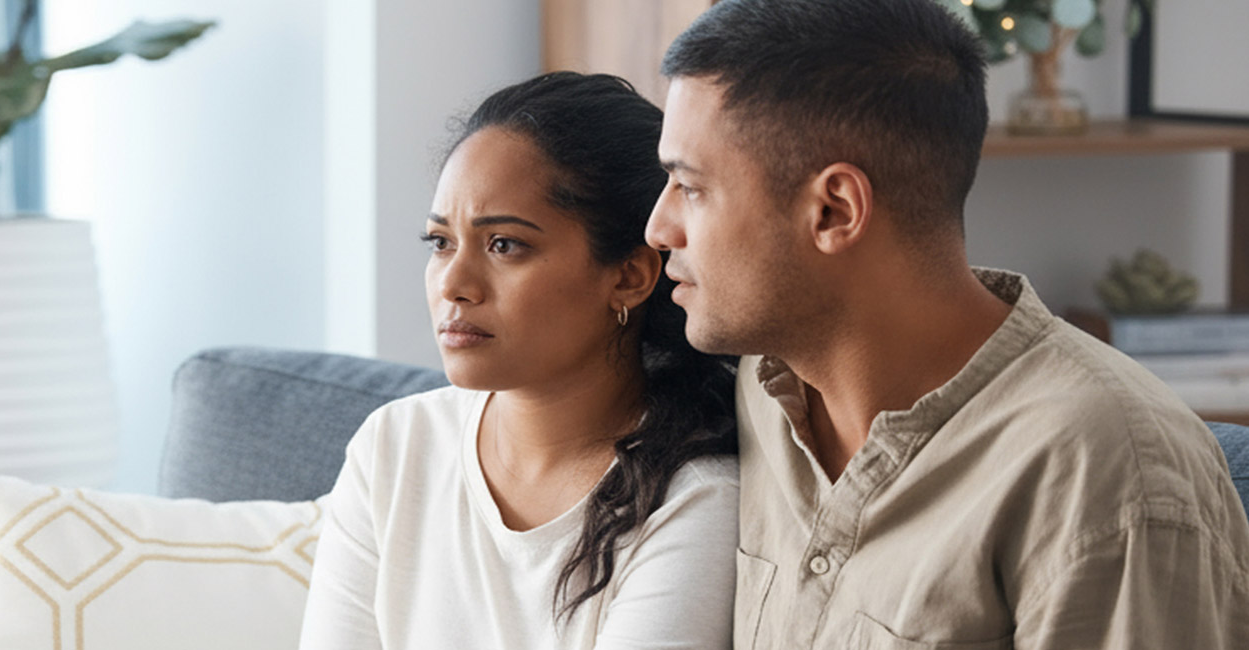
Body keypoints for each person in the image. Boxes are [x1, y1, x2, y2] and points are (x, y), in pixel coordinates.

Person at [645, 0, 1249, 647]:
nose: (658, 228)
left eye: (692, 188)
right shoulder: (763, 391)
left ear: (833, 210)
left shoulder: (1105, 474)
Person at [299, 72, 739, 650]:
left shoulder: (695, 499)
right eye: (441, 243)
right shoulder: (396, 446)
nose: (453, 284)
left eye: (504, 245)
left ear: (629, 276)